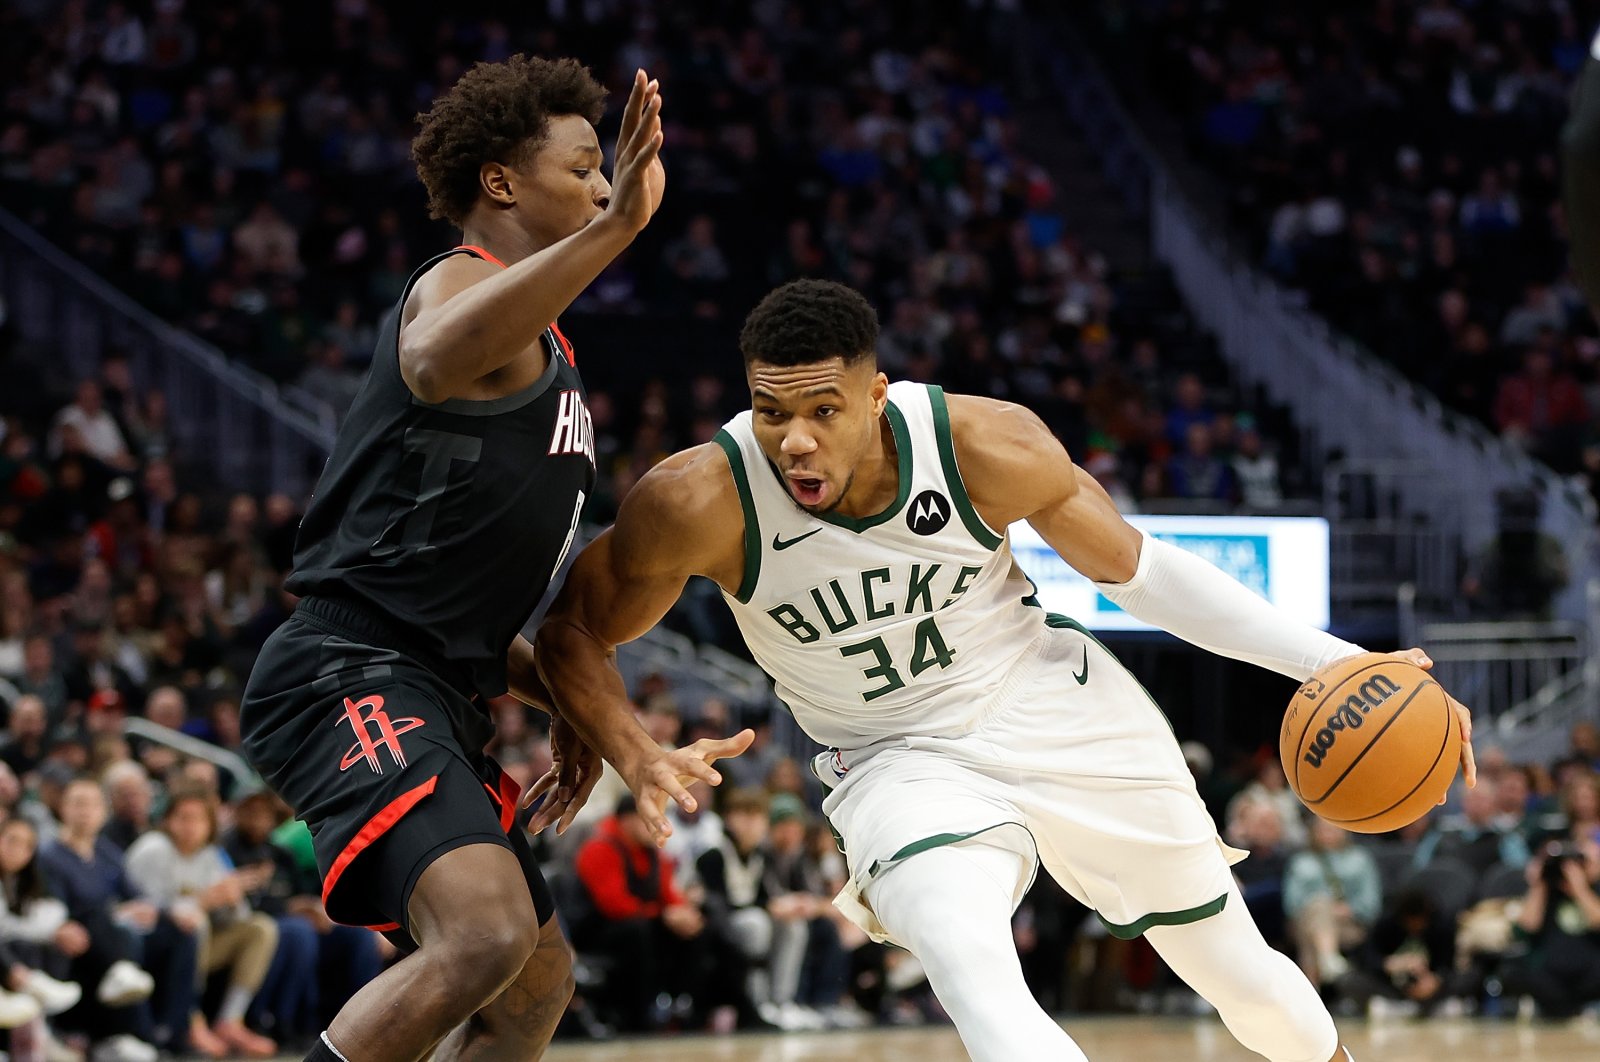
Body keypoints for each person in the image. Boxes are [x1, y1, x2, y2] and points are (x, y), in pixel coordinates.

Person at [535, 279, 1479, 1062]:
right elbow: (576, 629)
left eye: (824, 411)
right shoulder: (700, 498)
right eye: (773, 411)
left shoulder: (985, 444)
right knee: (970, 962)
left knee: (1233, 965)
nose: (795, 440)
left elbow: (1141, 575)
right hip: (895, 758)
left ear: (875, 396)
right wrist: (632, 750)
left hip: (1046, 704)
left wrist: (1342, 661)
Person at [237, 54, 742, 1062]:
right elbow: (429, 358)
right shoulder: (460, 285)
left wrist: (604, 731)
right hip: (347, 671)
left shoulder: (545, 348)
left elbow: (482, 623)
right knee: (486, 935)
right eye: (584, 167)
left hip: (432, 678)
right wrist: (615, 232)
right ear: (502, 184)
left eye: (610, 172)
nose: (606, 184)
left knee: (534, 987)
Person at [124, 789, 278, 1058]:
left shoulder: (211, 855)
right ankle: (192, 1021)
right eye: (184, 818)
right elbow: (147, 912)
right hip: (158, 948)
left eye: (199, 820)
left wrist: (231, 901)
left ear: (210, 825)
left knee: (260, 928)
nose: (191, 827)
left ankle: (230, 1020)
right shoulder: (153, 849)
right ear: (168, 820)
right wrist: (204, 901)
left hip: (201, 946)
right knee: (195, 923)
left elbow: (237, 917)